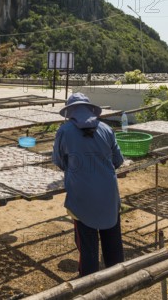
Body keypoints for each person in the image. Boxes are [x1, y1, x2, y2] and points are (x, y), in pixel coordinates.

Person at [52, 92, 125, 276]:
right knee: (113, 240)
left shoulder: (64, 131)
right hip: (109, 195)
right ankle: (118, 280)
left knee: (88, 247)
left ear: (71, 112)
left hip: (82, 197)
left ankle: (88, 285)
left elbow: (59, 161)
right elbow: (118, 160)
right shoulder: (106, 129)